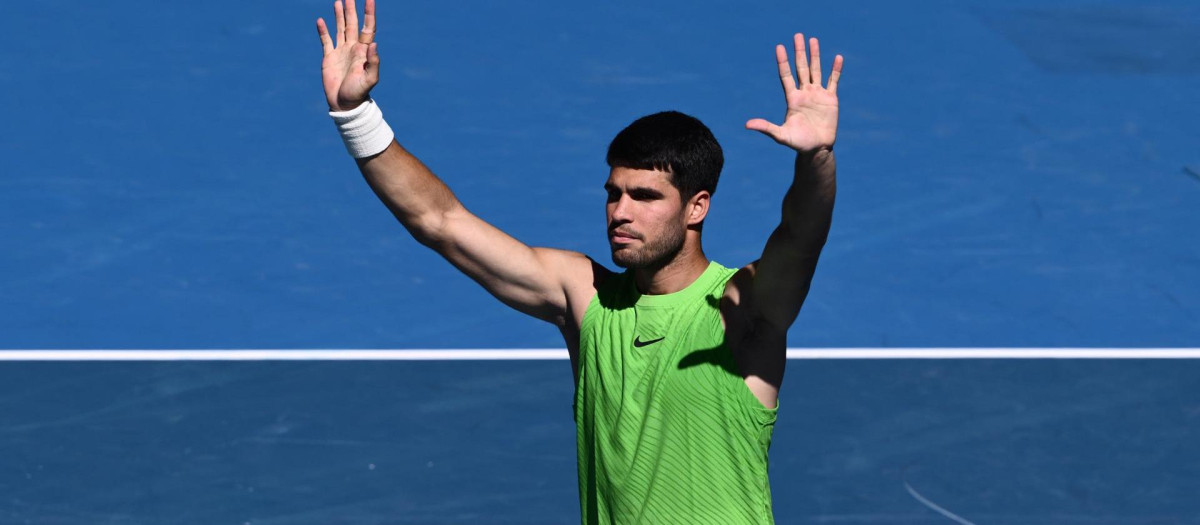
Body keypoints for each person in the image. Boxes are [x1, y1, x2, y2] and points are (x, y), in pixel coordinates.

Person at [316, 1, 843, 523]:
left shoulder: (744, 307)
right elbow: (440, 222)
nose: (620, 212)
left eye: (645, 196)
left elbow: (801, 237)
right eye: (614, 194)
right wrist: (356, 115)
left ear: (696, 207)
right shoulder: (585, 296)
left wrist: (815, 156)